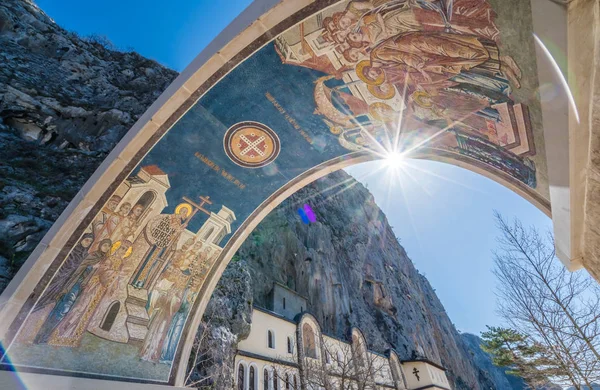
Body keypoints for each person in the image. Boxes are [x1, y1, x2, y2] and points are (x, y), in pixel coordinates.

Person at [47, 240, 131, 347]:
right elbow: (102, 271)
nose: (123, 251)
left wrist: (114, 286)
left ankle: (73, 337)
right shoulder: (110, 258)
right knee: (81, 307)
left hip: (102, 290)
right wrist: (116, 274)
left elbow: (116, 280)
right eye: (122, 248)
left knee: (88, 312)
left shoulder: (121, 263)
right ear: (117, 247)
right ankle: (61, 334)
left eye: (126, 249)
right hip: (95, 286)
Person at [34, 239, 112, 344]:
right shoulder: (93, 255)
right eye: (105, 245)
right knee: (62, 310)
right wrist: (91, 267)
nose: (106, 248)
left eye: (109, 246)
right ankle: (41, 336)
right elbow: (80, 267)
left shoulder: (104, 259)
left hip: (83, 288)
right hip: (76, 284)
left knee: (64, 312)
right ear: (100, 245)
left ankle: (44, 337)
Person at [34, 233, 94, 311]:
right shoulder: (73, 249)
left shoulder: (85, 254)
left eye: (90, 242)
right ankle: (35, 302)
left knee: (53, 293)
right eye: (86, 240)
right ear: (81, 240)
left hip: (66, 277)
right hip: (59, 273)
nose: (88, 242)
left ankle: (40, 304)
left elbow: (81, 267)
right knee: (46, 288)